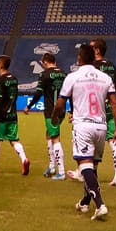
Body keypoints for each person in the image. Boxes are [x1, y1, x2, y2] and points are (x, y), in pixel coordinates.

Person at [54, 43, 116, 221]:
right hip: (101, 126)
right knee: (92, 167)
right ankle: (85, 202)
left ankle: (100, 205)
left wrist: (55, 117)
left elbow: (61, 102)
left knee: (85, 166)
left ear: (79, 58)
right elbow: (114, 103)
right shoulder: (105, 77)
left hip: (83, 125)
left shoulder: (73, 77)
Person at [24, 51, 67, 180]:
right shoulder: (63, 73)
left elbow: (38, 93)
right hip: (62, 109)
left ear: (46, 62)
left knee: (55, 138)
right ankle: (52, 166)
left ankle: (61, 171)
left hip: (51, 111)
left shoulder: (44, 74)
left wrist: (29, 106)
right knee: (49, 134)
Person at [0, 54, 29, 176]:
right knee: (14, 139)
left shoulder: (1, 80)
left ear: (0, 65)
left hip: (2, 116)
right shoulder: (14, 79)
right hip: (13, 115)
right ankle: (24, 159)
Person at [91, 39, 116, 186]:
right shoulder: (111, 66)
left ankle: (89, 173)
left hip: (95, 109)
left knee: (91, 141)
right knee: (114, 142)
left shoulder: (91, 67)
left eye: (91, 47)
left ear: (97, 50)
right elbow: (113, 90)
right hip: (110, 107)